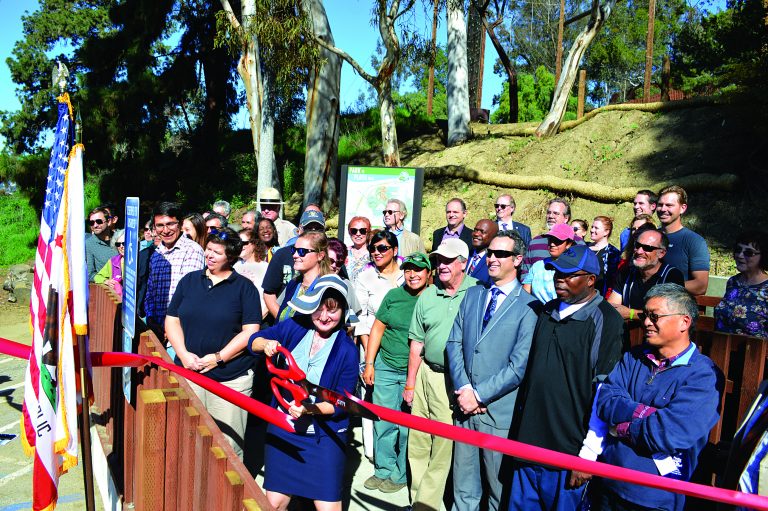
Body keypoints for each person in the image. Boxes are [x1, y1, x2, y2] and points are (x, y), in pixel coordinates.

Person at [509, 244, 624, 511]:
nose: (559, 279)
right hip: (528, 446)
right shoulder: (546, 311)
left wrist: (587, 456)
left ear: (591, 280)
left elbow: (605, 392)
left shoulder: (606, 321)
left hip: (569, 454)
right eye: (556, 273)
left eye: (569, 275)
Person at [595, 284, 722, 511]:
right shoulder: (634, 357)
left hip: (655, 497)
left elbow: (671, 432)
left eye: (655, 317)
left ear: (684, 322)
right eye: (645, 315)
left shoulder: (703, 375)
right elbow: (605, 401)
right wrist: (643, 413)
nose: (646, 323)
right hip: (608, 484)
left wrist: (620, 428)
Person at [247, 274, 358, 511]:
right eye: (319, 309)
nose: (325, 317)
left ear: (344, 312)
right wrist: (266, 344)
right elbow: (253, 340)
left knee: (328, 508)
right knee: (273, 504)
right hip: (284, 430)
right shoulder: (296, 326)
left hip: (323, 438)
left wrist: (310, 409)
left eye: (333, 310)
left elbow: (341, 403)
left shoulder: (348, 350)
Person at [446, 231, 538, 511]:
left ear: (518, 260)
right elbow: (454, 342)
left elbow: (518, 366)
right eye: (490, 252)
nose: (492, 258)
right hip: (464, 408)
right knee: (464, 488)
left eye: (501, 254)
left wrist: (480, 395)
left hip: (497, 414)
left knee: (498, 491)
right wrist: (465, 390)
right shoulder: (474, 294)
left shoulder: (529, 308)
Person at [165, 227, 261, 457]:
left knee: (227, 447)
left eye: (217, 252)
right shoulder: (189, 281)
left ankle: (229, 494)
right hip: (190, 372)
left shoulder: (244, 288)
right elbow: (172, 320)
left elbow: (250, 331)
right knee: (189, 440)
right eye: (208, 249)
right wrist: (183, 354)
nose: (209, 255)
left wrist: (219, 358)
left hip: (230, 379)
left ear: (231, 257)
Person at [407, 238, 478, 511]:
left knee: (443, 444)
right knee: (418, 439)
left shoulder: (477, 292)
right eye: (439, 260)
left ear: (463, 262)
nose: (442, 265)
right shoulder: (428, 293)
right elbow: (417, 342)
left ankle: (426, 505)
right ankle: (418, 498)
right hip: (425, 372)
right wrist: (411, 384)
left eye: (448, 260)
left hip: (452, 379)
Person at [362, 253, 432, 494]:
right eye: (409, 270)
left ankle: (401, 473)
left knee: (407, 426)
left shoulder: (432, 298)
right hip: (387, 367)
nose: (413, 274)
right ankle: (382, 469)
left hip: (416, 372)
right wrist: (370, 363)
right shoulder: (393, 296)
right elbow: (377, 329)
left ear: (428, 273)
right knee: (383, 420)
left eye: (419, 270)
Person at [355, 230, 404, 462]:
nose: (376, 253)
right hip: (371, 346)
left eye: (382, 248)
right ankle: (373, 452)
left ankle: (398, 453)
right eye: (373, 249)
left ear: (395, 251)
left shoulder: (409, 274)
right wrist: (369, 356)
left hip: (403, 348)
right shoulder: (365, 278)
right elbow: (362, 319)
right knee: (371, 396)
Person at [143, 202, 205, 339]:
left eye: (170, 224)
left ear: (180, 224)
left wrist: (170, 326)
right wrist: (150, 317)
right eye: (160, 225)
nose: (165, 230)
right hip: (156, 329)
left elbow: (189, 294)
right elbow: (150, 291)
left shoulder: (192, 250)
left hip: (179, 331)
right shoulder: (156, 254)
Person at [262, 209, 327, 319]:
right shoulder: (282, 254)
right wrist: (283, 321)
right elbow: (269, 293)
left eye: (318, 229)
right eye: (308, 228)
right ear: (299, 230)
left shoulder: (332, 256)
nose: (313, 232)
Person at [609, 229, 685, 320]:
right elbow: (612, 308)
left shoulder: (671, 276)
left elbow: (670, 314)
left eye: (647, 248)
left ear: (661, 253)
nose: (639, 251)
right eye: (637, 245)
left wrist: (631, 314)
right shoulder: (626, 273)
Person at [656, 185, 710, 295]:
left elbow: (700, 285)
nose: (663, 209)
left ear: (683, 208)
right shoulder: (650, 237)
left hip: (674, 306)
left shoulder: (694, 241)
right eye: (660, 205)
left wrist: (661, 286)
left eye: (669, 205)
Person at [715, 231, 768, 338]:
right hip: (721, 348)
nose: (740, 255)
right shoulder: (733, 282)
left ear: (763, 256)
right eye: (738, 250)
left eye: (748, 253)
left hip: (752, 352)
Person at [520, 197, 581, 280]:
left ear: (566, 218)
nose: (551, 216)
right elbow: (525, 273)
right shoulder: (535, 242)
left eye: (556, 213)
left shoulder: (577, 242)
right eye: (549, 212)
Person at [276, 231, 331, 322]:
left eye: (302, 251)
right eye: (294, 250)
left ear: (320, 256)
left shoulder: (327, 288)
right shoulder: (293, 284)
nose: (295, 255)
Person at [522, 223, 575, 304]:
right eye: (550, 240)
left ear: (568, 244)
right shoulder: (537, 266)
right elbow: (525, 296)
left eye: (557, 241)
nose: (552, 244)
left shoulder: (574, 268)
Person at [234, 228, 269, 320]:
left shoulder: (265, 268)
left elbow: (268, 299)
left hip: (256, 320)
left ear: (254, 244)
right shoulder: (234, 266)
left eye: (243, 243)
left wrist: (256, 321)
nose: (240, 246)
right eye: (237, 243)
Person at [589, 216, 621, 297]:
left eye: (596, 228)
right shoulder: (584, 247)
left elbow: (612, 280)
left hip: (598, 296)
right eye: (592, 227)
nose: (592, 230)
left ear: (606, 232)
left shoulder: (612, 253)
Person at [86, 206, 117, 282]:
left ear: (109, 221)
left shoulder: (120, 238)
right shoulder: (89, 244)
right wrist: (105, 281)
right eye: (91, 223)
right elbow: (90, 274)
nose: (95, 225)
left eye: (99, 221)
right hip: (107, 290)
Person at [465, 219, 499, 285]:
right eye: (475, 230)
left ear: (493, 237)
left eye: (482, 232)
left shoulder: (494, 261)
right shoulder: (466, 254)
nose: (476, 234)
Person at [93, 229, 125, 296]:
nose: (121, 246)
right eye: (118, 244)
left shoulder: (138, 261)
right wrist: (107, 281)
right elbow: (97, 277)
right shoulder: (113, 261)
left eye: (124, 243)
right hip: (117, 301)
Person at [346, 216, 372, 283]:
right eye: (354, 231)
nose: (358, 234)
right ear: (349, 232)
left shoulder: (373, 253)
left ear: (368, 232)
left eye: (362, 231)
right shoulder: (343, 253)